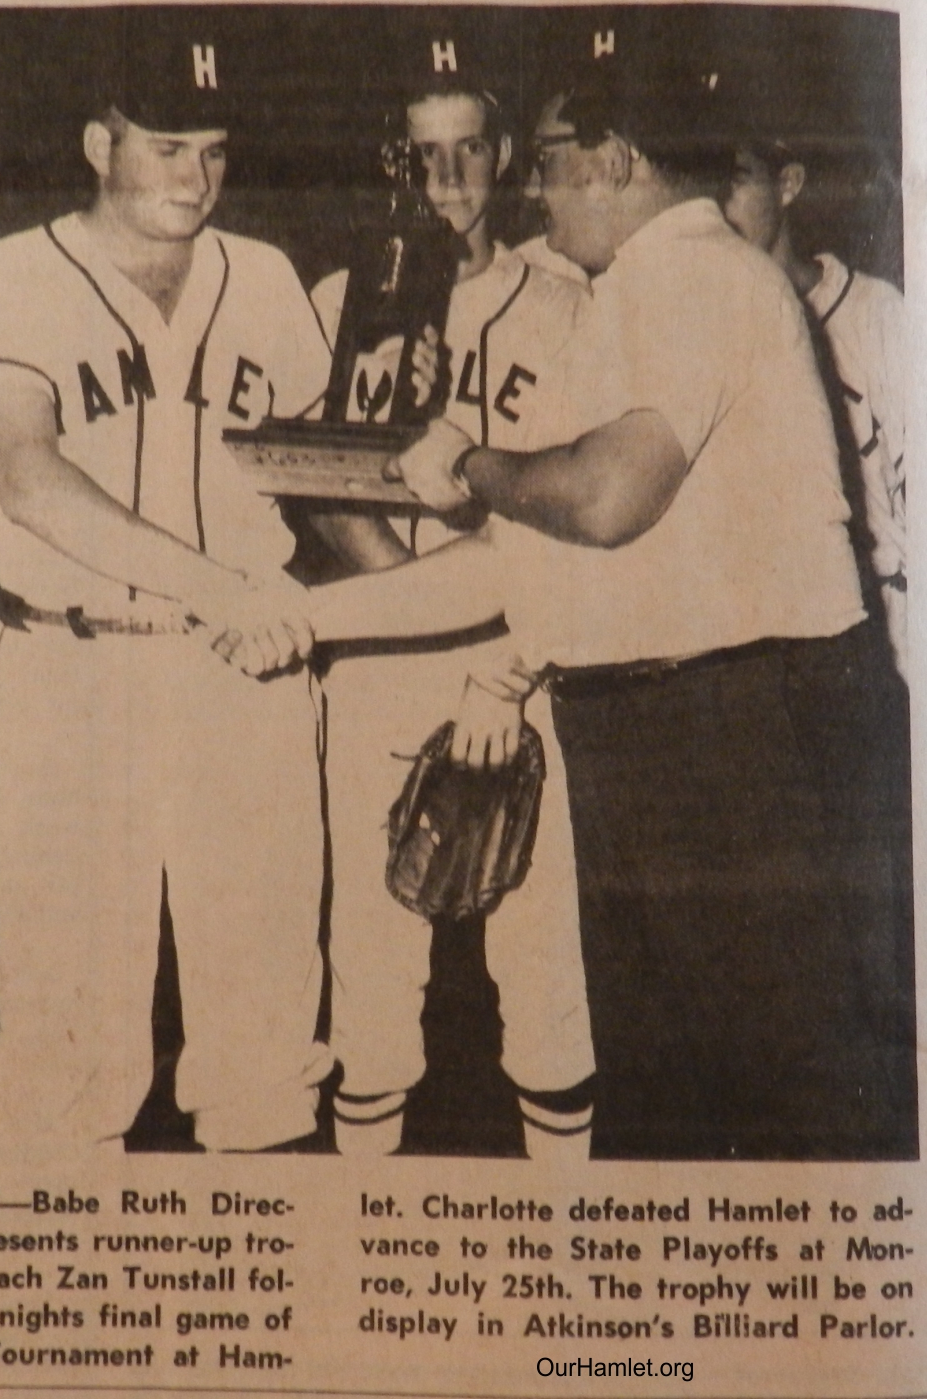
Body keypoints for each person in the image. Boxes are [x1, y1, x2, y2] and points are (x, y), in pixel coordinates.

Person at [301, 52, 916, 1159]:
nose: (533, 191)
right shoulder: (637, 289)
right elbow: (523, 559)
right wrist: (305, 616)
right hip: (665, 733)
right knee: (677, 1098)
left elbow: (601, 497)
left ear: (616, 158)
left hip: (740, 734)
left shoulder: (693, 276)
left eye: (545, 164)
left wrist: (471, 462)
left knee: (789, 1092)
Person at [0, 17, 341, 1156]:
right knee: (65, 1042)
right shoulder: (7, 274)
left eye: (212, 148)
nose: (195, 175)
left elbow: (321, 478)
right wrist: (223, 588)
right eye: (164, 144)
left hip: (248, 678)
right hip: (80, 668)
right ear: (96, 143)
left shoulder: (263, 276)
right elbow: (27, 480)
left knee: (266, 1028)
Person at [306, 38, 595, 1158]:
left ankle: (564, 1261)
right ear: (398, 165)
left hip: (521, 662)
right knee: (372, 986)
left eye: (470, 151)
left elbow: (578, 517)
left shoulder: (568, 302)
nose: (448, 181)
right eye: (425, 157)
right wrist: (422, 604)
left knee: (545, 979)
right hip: (380, 661)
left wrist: (496, 662)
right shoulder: (346, 294)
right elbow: (319, 485)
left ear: (507, 157)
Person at [723, 137, 908, 680]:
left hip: (888, 637)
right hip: (771, 653)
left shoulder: (876, 315)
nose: (717, 203)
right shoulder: (708, 330)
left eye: (736, 178)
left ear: (788, 184)